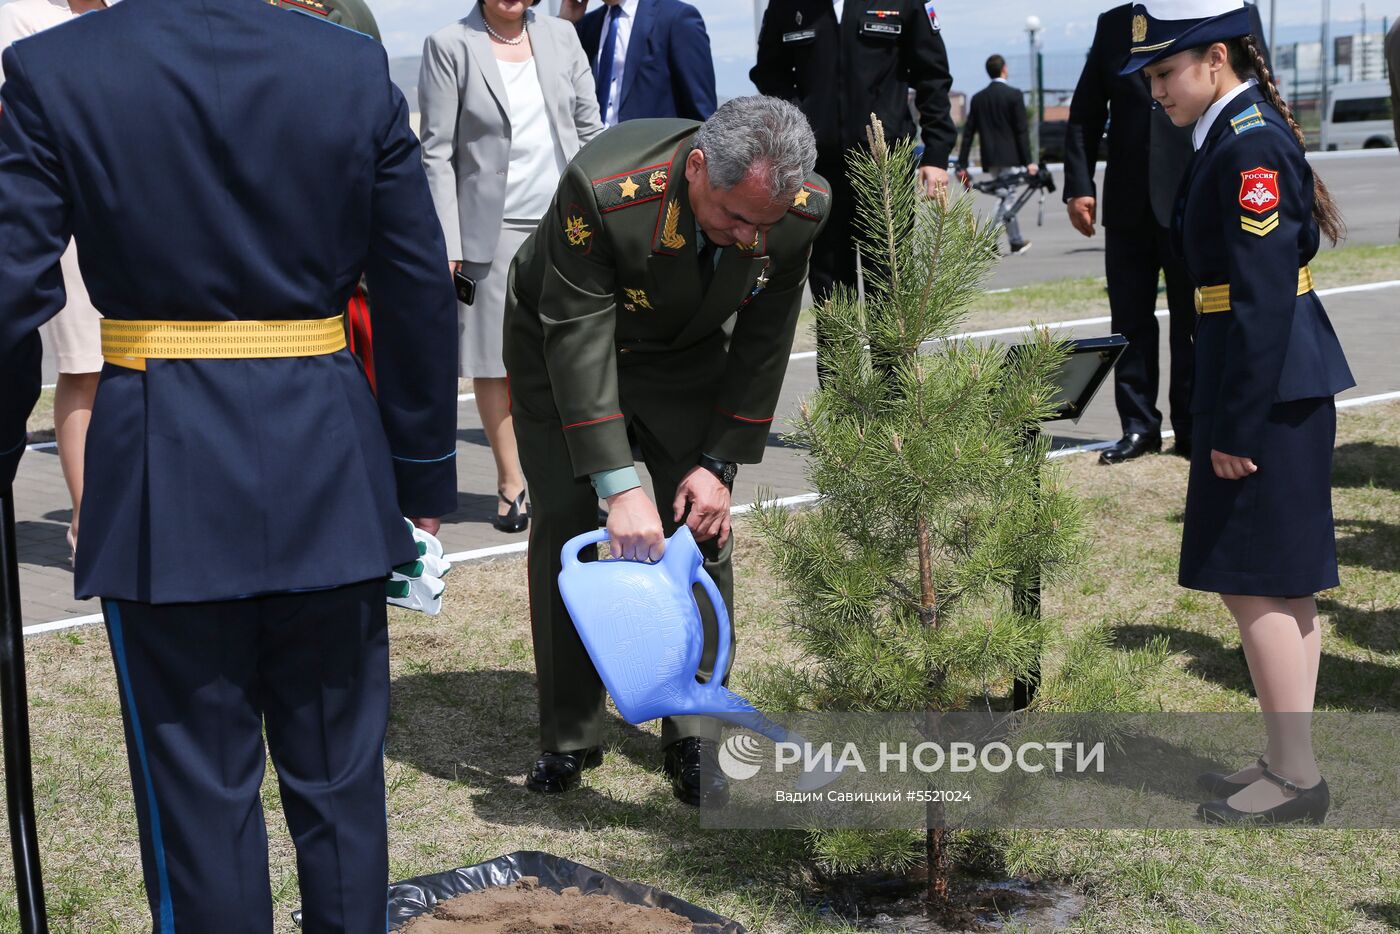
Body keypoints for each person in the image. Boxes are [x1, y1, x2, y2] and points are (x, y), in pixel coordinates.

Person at [0, 2, 458, 930]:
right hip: (327, 465)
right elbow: (415, 281)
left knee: (199, 804)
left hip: (165, 475)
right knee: (338, 785)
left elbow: (10, 289)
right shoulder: (347, 65)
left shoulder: (57, 69)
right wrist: (418, 475)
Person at [504, 96, 824, 804]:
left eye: (761, 227)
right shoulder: (607, 189)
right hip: (562, 341)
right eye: (734, 217)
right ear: (699, 168)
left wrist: (720, 463)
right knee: (568, 521)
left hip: (681, 352)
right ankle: (570, 736)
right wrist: (618, 486)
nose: (748, 238)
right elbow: (578, 333)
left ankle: (694, 734)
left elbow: (767, 336)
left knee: (699, 529)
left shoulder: (796, 210)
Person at [1124, 0, 1354, 825]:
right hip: (1272, 379)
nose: (1156, 91)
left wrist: (1236, 425)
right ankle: (1287, 761)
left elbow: (1259, 297)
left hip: (1266, 386)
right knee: (1281, 587)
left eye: (1164, 73)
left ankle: (1295, 780)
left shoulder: (1247, 141)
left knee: (1255, 587)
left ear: (1214, 58)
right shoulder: (1238, 129)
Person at [419, 0, 603, 534]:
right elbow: (436, 152)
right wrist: (448, 237)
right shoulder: (449, 45)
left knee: (572, 353)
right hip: (487, 231)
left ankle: (579, 478)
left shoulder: (564, 38)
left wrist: (605, 210)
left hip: (566, 221)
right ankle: (511, 484)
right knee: (493, 360)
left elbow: (591, 130)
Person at [1066, 2, 1267, 465]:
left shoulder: (1220, 13)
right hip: (1129, 201)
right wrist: (1079, 186)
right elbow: (1086, 112)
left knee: (1196, 316)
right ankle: (1138, 427)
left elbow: (1256, 94)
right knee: (1130, 319)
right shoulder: (1114, 25)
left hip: (1198, 196)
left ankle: (1195, 426)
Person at [750, 0, 954, 382]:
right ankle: (844, 414)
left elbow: (933, 76)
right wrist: (801, 118)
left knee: (888, 287)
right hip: (818, 171)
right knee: (830, 292)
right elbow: (769, 72)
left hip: (884, 166)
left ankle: (894, 413)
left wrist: (937, 154)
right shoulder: (788, 5)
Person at [0, 0, 109, 563]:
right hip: (62, 219)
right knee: (85, 365)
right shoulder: (20, 16)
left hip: (122, 210)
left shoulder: (126, 12)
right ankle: (85, 520)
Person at [558, 0, 715, 127]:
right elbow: (556, 87)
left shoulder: (677, 18)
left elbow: (702, 112)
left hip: (655, 159)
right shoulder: (585, 25)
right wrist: (565, 23)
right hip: (594, 157)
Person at [956, 53, 1038, 255]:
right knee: (1007, 198)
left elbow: (968, 133)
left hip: (990, 158)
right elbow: (1021, 131)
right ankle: (988, 240)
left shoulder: (978, 98)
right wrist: (1029, 161)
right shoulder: (1014, 95)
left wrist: (962, 162)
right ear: (1005, 69)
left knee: (1005, 196)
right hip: (1011, 157)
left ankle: (1015, 241)